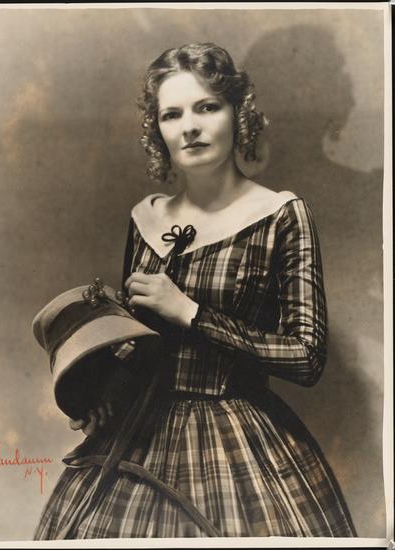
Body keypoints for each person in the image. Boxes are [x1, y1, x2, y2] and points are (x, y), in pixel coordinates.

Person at [33, 42, 356, 539]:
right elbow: (137, 343)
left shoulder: (281, 215)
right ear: (158, 130)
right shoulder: (145, 218)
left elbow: (307, 357)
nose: (189, 126)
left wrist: (191, 312)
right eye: (172, 114)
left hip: (240, 436)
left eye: (207, 107)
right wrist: (105, 393)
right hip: (138, 430)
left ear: (237, 114)